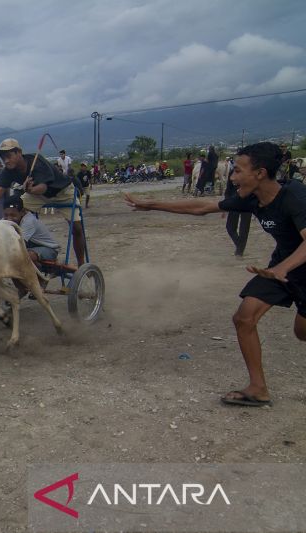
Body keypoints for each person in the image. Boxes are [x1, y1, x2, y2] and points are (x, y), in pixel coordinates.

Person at [125, 142, 306, 407]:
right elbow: (203, 207)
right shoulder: (253, 199)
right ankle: (258, 388)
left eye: (238, 171)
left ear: (260, 173)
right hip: (280, 269)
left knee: (302, 333)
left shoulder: (294, 195)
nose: (232, 177)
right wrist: (152, 204)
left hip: (291, 268)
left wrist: (282, 269)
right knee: (244, 318)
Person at [0, 138, 88, 265]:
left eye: (9, 156)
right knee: (14, 210)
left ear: (19, 152)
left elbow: (44, 187)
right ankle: (23, 248)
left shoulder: (36, 160)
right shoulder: (8, 171)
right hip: (36, 194)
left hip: (62, 192)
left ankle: (81, 263)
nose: (6, 160)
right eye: (3, 158)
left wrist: (31, 189)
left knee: (76, 228)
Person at [3, 195, 60, 263]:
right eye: (6, 215)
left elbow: (19, 244)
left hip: (48, 249)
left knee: (22, 255)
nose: (9, 219)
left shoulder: (29, 221)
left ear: (22, 212)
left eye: (13, 215)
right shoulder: (6, 220)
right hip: (29, 248)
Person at [223, 165, 252, 257]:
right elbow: (228, 189)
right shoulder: (232, 172)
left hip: (248, 202)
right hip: (234, 202)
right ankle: (240, 247)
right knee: (230, 227)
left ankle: (239, 252)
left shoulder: (250, 172)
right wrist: (226, 205)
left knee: (244, 228)